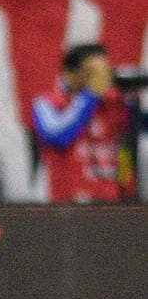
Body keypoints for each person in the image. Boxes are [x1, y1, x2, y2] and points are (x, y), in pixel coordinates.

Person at [31, 42, 136, 203]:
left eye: (104, 71)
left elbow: (128, 142)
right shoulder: (48, 103)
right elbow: (57, 136)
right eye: (92, 72)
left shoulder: (115, 103)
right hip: (66, 207)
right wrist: (90, 95)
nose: (101, 78)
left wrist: (131, 99)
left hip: (112, 205)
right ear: (70, 73)